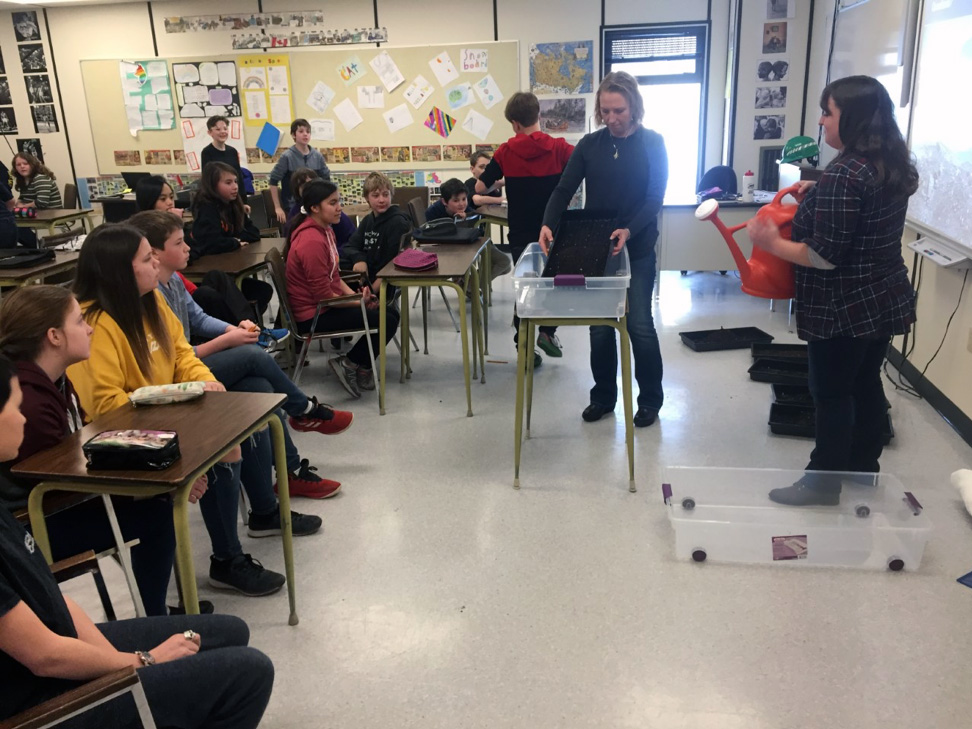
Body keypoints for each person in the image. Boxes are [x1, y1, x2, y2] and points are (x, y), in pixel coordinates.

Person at [0, 357, 274, 728]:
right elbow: (45, 658)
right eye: (16, 408)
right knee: (249, 673)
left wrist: (114, 658)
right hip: (41, 702)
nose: (24, 418)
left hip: (55, 655)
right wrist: (143, 661)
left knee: (228, 632)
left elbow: (50, 594)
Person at [67, 223, 321, 596]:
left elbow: (183, 355)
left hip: (169, 409)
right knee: (228, 442)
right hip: (126, 433)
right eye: (146, 258)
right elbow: (108, 409)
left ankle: (257, 520)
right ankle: (228, 557)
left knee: (253, 394)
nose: (155, 263)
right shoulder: (95, 323)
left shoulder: (150, 300)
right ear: (120, 271)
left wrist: (207, 383)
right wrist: (187, 406)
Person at [746, 75, 919, 506]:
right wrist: (820, 185)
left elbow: (823, 256)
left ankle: (823, 482)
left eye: (828, 112)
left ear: (853, 117)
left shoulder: (845, 174)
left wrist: (770, 243)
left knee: (831, 392)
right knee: (864, 383)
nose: (821, 122)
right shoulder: (888, 163)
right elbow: (859, 209)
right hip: (882, 297)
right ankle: (864, 469)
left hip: (842, 305)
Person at [130, 210, 350, 500]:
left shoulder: (174, 281)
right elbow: (173, 358)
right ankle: (305, 410)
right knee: (253, 355)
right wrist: (228, 341)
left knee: (260, 389)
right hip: (178, 380)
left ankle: (287, 478)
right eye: (179, 243)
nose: (188, 248)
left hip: (191, 367)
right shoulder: (148, 293)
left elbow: (199, 318)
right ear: (155, 253)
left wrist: (235, 328)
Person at [0, 286, 180, 617]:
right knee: (154, 512)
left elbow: (80, 449)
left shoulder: (51, 379)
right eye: (80, 321)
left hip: (53, 502)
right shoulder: (29, 401)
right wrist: (153, 483)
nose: (90, 328)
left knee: (156, 498)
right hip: (32, 524)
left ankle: (155, 611)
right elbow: (65, 479)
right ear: (53, 336)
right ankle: (154, 617)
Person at [540, 71, 668, 428]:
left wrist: (628, 229)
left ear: (634, 108)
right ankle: (603, 397)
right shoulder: (589, 145)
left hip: (638, 246)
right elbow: (563, 190)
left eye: (620, 111)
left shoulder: (653, 143)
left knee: (639, 325)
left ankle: (651, 401)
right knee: (600, 327)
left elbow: (654, 199)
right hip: (598, 251)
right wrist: (549, 221)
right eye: (606, 111)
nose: (612, 118)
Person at [477, 91, 574, 362]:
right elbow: (582, 167)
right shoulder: (559, 148)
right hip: (553, 230)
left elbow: (480, 186)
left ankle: (523, 343)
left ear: (515, 124)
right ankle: (547, 331)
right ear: (538, 117)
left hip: (520, 232)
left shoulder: (506, 151)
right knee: (554, 282)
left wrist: (505, 179)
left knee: (526, 286)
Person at [286, 180, 399, 399]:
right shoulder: (311, 240)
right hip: (313, 315)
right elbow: (323, 296)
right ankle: (351, 363)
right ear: (314, 208)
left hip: (324, 306)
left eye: (339, 201)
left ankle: (359, 365)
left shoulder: (325, 231)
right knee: (388, 319)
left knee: (390, 312)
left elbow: (334, 278)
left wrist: (359, 297)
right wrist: (358, 302)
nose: (339, 207)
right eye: (333, 203)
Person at [190, 162, 273, 319]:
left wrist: (235, 239)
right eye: (228, 183)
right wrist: (235, 242)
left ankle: (251, 327)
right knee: (256, 291)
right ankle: (246, 327)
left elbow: (254, 233)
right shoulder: (207, 208)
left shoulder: (233, 205)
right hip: (210, 272)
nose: (235, 186)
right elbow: (211, 243)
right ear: (213, 186)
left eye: (235, 181)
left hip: (230, 266)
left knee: (264, 290)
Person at [341, 172, 412, 296]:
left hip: (384, 283)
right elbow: (350, 246)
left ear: (391, 195)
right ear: (367, 198)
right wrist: (359, 260)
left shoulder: (397, 222)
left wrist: (373, 292)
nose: (382, 200)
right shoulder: (368, 220)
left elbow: (392, 264)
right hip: (367, 276)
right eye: (376, 195)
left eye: (386, 195)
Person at [268, 119, 331, 224]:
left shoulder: (317, 156)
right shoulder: (287, 157)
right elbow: (273, 181)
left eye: (308, 131)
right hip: (293, 206)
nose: (305, 134)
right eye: (301, 131)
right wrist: (278, 207)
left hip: (315, 205)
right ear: (293, 135)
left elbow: (327, 180)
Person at [285, 166, 356, 252]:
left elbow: (352, 237)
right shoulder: (296, 215)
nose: (310, 189)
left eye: (313, 184)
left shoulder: (331, 211)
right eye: (304, 186)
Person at [200, 115, 247, 206]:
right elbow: (207, 180)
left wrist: (243, 202)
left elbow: (238, 177)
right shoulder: (207, 152)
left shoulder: (232, 151)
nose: (222, 132)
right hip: (217, 200)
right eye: (218, 129)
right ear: (210, 132)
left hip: (234, 198)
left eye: (225, 129)